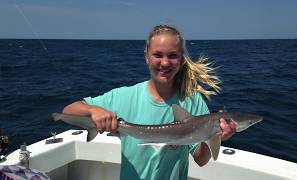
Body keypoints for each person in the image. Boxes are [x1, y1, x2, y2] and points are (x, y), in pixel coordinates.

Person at [63, 24, 236, 180]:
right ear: (146, 56)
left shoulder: (192, 101)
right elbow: (68, 110)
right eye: (157, 55)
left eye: (172, 56)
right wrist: (93, 110)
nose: (165, 62)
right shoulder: (125, 96)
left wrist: (214, 135)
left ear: (182, 59)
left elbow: (201, 159)